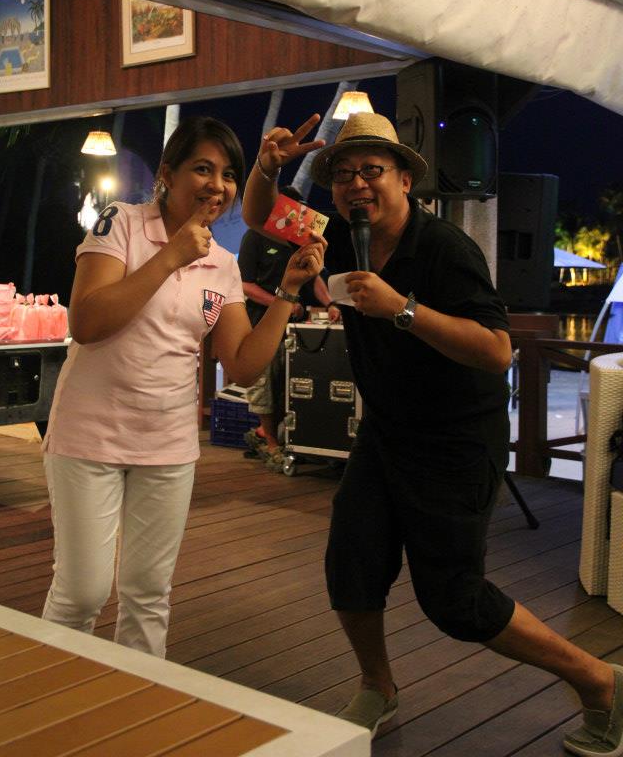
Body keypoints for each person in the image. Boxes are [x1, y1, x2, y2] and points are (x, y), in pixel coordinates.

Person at [242, 111, 622, 755]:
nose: (356, 184)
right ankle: (378, 687)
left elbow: (497, 351)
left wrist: (403, 308)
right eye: (343, 174)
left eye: (372, 170)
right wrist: (264, 168)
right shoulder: (341, 237)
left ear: (403, 180)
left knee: (455, 600)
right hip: (385, 431)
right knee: (351, 564)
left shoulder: (445, 248)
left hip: (455, 439)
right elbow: (259, 215)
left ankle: (602, 682)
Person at [41, 116, 325, 658]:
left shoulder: (222, 264)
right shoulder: (120, 223)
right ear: (167, 175)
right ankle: (50, 696)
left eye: (228, 174)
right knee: (82, 593)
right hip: (89, 436)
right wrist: (172, 254)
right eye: (202, 169)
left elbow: (243, 366)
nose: (217, 185)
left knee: (148, 594)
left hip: (168, 446)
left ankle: (139, 699)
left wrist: (288, 291)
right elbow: (89, 322)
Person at [238, 184, 340, 467]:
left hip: (295, 327)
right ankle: (271, 443)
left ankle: (269, 434)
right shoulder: (254, 237)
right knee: (265, 383)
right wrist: (281, 302)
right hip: (261, 322)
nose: (296, 216)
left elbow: (314, 278)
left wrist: (331, 304)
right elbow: (246, 285)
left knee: (291, 380)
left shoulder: (300, 240)